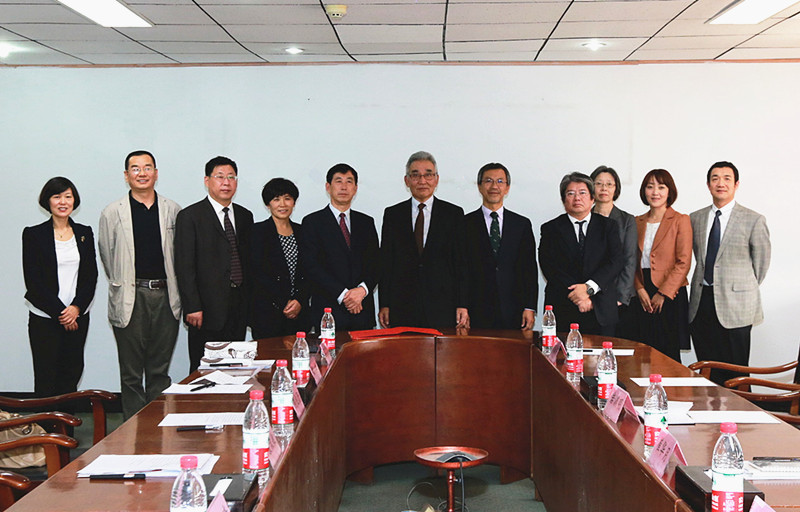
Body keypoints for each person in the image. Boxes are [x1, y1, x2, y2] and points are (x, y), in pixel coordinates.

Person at [98, 150, 182, 419]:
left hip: (166, 296)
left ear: (156, 173)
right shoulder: (112, 212)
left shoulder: (172, 209)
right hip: (130, 295)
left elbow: (179, 255)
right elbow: (108, 256)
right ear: (126, 175)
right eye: (135, 168)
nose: (142, 173)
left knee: (159, 370)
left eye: (147, 168)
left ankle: (156, 427)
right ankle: (132, 430)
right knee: (131, 372)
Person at [689, 161, 770, 384]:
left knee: (737, 372)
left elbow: (761, 264)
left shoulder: (753, 219)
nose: (720, 183)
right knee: (708, 370)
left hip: (737, 306)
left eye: (727, 178)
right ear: (708, 185)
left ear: (736, 184)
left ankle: (743, 407)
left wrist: (740, 287)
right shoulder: (695, 218)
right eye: (715, 178)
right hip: (701, 302)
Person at [175, 156, 253, 371]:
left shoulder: (245, 216)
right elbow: (184, 265)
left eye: (231, 177)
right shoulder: (190, 216)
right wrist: (192, 306)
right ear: (207, 180)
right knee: (203, 368)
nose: (226, 182)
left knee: (235, 366)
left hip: (238, 304)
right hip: (205, 308)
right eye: (220, 177)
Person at [22, 177, 97, 397]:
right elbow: (33, 282)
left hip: (77, 317)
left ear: (74, 200)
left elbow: (90, 277)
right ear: (48, 201)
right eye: (57, 197)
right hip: (45, 318)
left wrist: (76, 309)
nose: (63, 202)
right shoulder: (33, 234)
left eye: (68, 196)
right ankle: (46, 420)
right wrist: (62, 314)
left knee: (71, 375)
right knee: (46, 377)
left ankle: (67, 420)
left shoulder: (84, 233)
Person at [379, 151, 469, 329]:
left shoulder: (453, 214)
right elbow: (386, 262)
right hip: (402, 305)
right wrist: (384, 304)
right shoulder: (393, 214)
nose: (422, 181)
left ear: (436, 179)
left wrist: (462, 303)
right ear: (407, 180)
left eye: (428, 175)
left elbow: (461, 263)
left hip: (443, 305)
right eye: (415, 175)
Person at [539, 172, 622, 335]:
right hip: (563, 306)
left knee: (602, 351)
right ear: (563, 200)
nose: (577, 198)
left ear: (592, 198)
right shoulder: (550, 228)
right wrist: (577, 295)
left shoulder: (609, 226)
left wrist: (588, 289)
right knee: (561, 351)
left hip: (601, 307)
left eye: (582, 193)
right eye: (571, 193)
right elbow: (549, 266)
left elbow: (615, 261)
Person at [301, 164, 379, 331]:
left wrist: (362, 291)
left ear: (355, 188)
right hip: (328, 312)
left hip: (362, 312)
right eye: (338, 181)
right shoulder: (312, 222)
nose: (344, 187)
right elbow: (311, 266)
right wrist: (344, 295)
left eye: (349, 181)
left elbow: (376, 263)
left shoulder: (366, 222)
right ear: (328, 187)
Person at [464, 163, 538, 330]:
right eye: (488, 181)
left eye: (500, 181)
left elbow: (529, 269)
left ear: (507, 188)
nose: (494, 186)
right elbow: (461, 269)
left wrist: (529, 307)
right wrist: (462, 305)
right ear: (479, 186)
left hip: (514, 309)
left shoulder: (521, 224)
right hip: (476, 309)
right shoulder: (465, 223)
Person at [633, 169, 692, 362]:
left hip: (670, 294)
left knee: (668, 354)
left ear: (669, 191)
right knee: (642, 353)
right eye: (650, 187)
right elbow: (630, 261)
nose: (655, 192)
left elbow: (684, 261)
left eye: (661, 187)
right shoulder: (636, 222)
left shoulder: (680, 220)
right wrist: (639, 288)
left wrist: (663, 293)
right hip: (642, 294)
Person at [250, 178, 309, 338]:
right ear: (268, 204)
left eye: (287, 198)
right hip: (267, 314)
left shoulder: (303, 232)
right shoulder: (257, 232)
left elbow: (310, 271)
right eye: (276, 199)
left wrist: (299, 300)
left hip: (299, 313)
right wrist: (284, 302)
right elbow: (256, 273)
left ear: (294, 202)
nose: (282, 204)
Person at [590, 165, 637, 339]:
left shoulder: (626, 220)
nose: (604, 188)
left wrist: (620, 297)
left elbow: (630, 259)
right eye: (599, 183)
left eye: (609, 184)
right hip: (590, 295)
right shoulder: (584, 218)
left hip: (616, 296)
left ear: (616, 188)